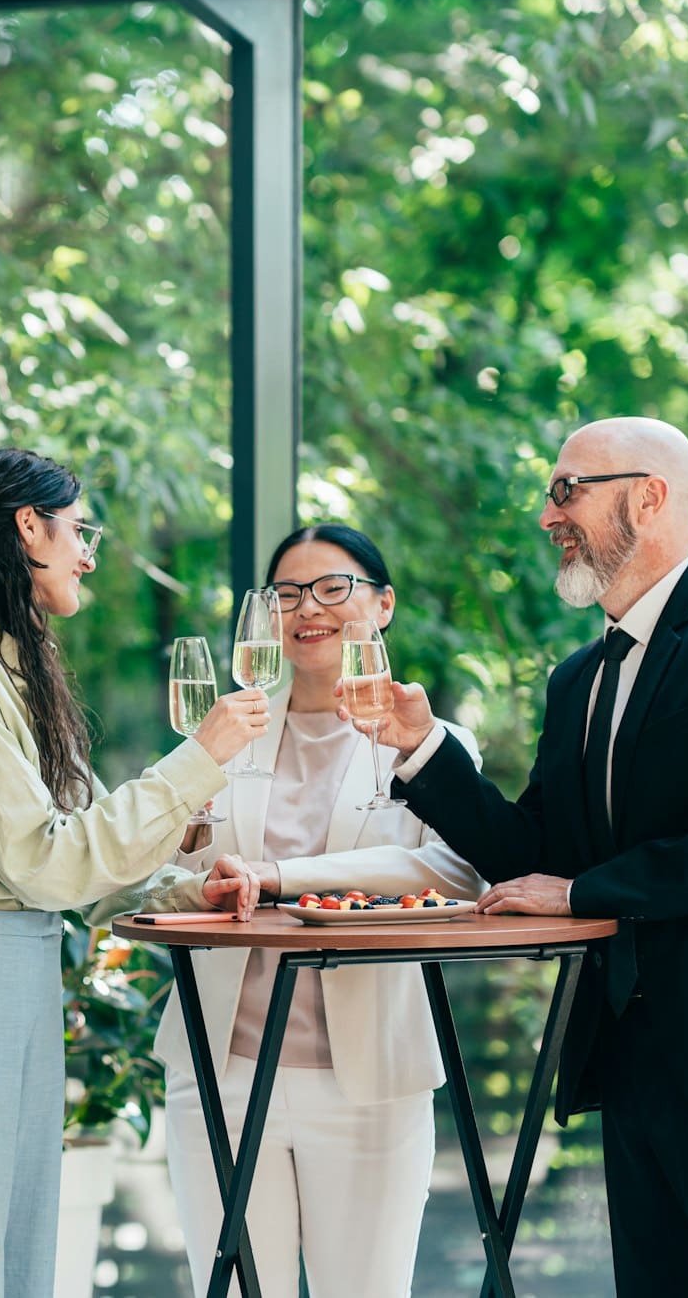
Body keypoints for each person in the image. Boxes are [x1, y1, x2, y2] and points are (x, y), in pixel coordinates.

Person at [362, 417, 688, 1297]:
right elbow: (536, 852)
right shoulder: (576, 679)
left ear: (648, 496)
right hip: (632, 1053)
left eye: (568, 490)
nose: (550, 515)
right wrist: (424, 749)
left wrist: (583, 890)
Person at [0, 447, 270, 1298]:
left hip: (14, 954)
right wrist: (201, 757)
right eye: (78, 530)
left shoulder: (11, 669)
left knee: (19, 1269)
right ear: (27, 528)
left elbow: (75, 850)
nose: (88, 552)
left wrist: (190, 890)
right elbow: (47, 861)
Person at [134, 523, 485, 1297]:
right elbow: (158, 868)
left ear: (383, 604)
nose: (307, 609)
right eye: (286, 595)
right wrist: (202, 868)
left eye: (333, 588)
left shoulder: (432, 744)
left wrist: (283, 875)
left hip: (370, 1079)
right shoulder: (224, 734)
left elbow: (453, 870)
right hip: (219, 1073)